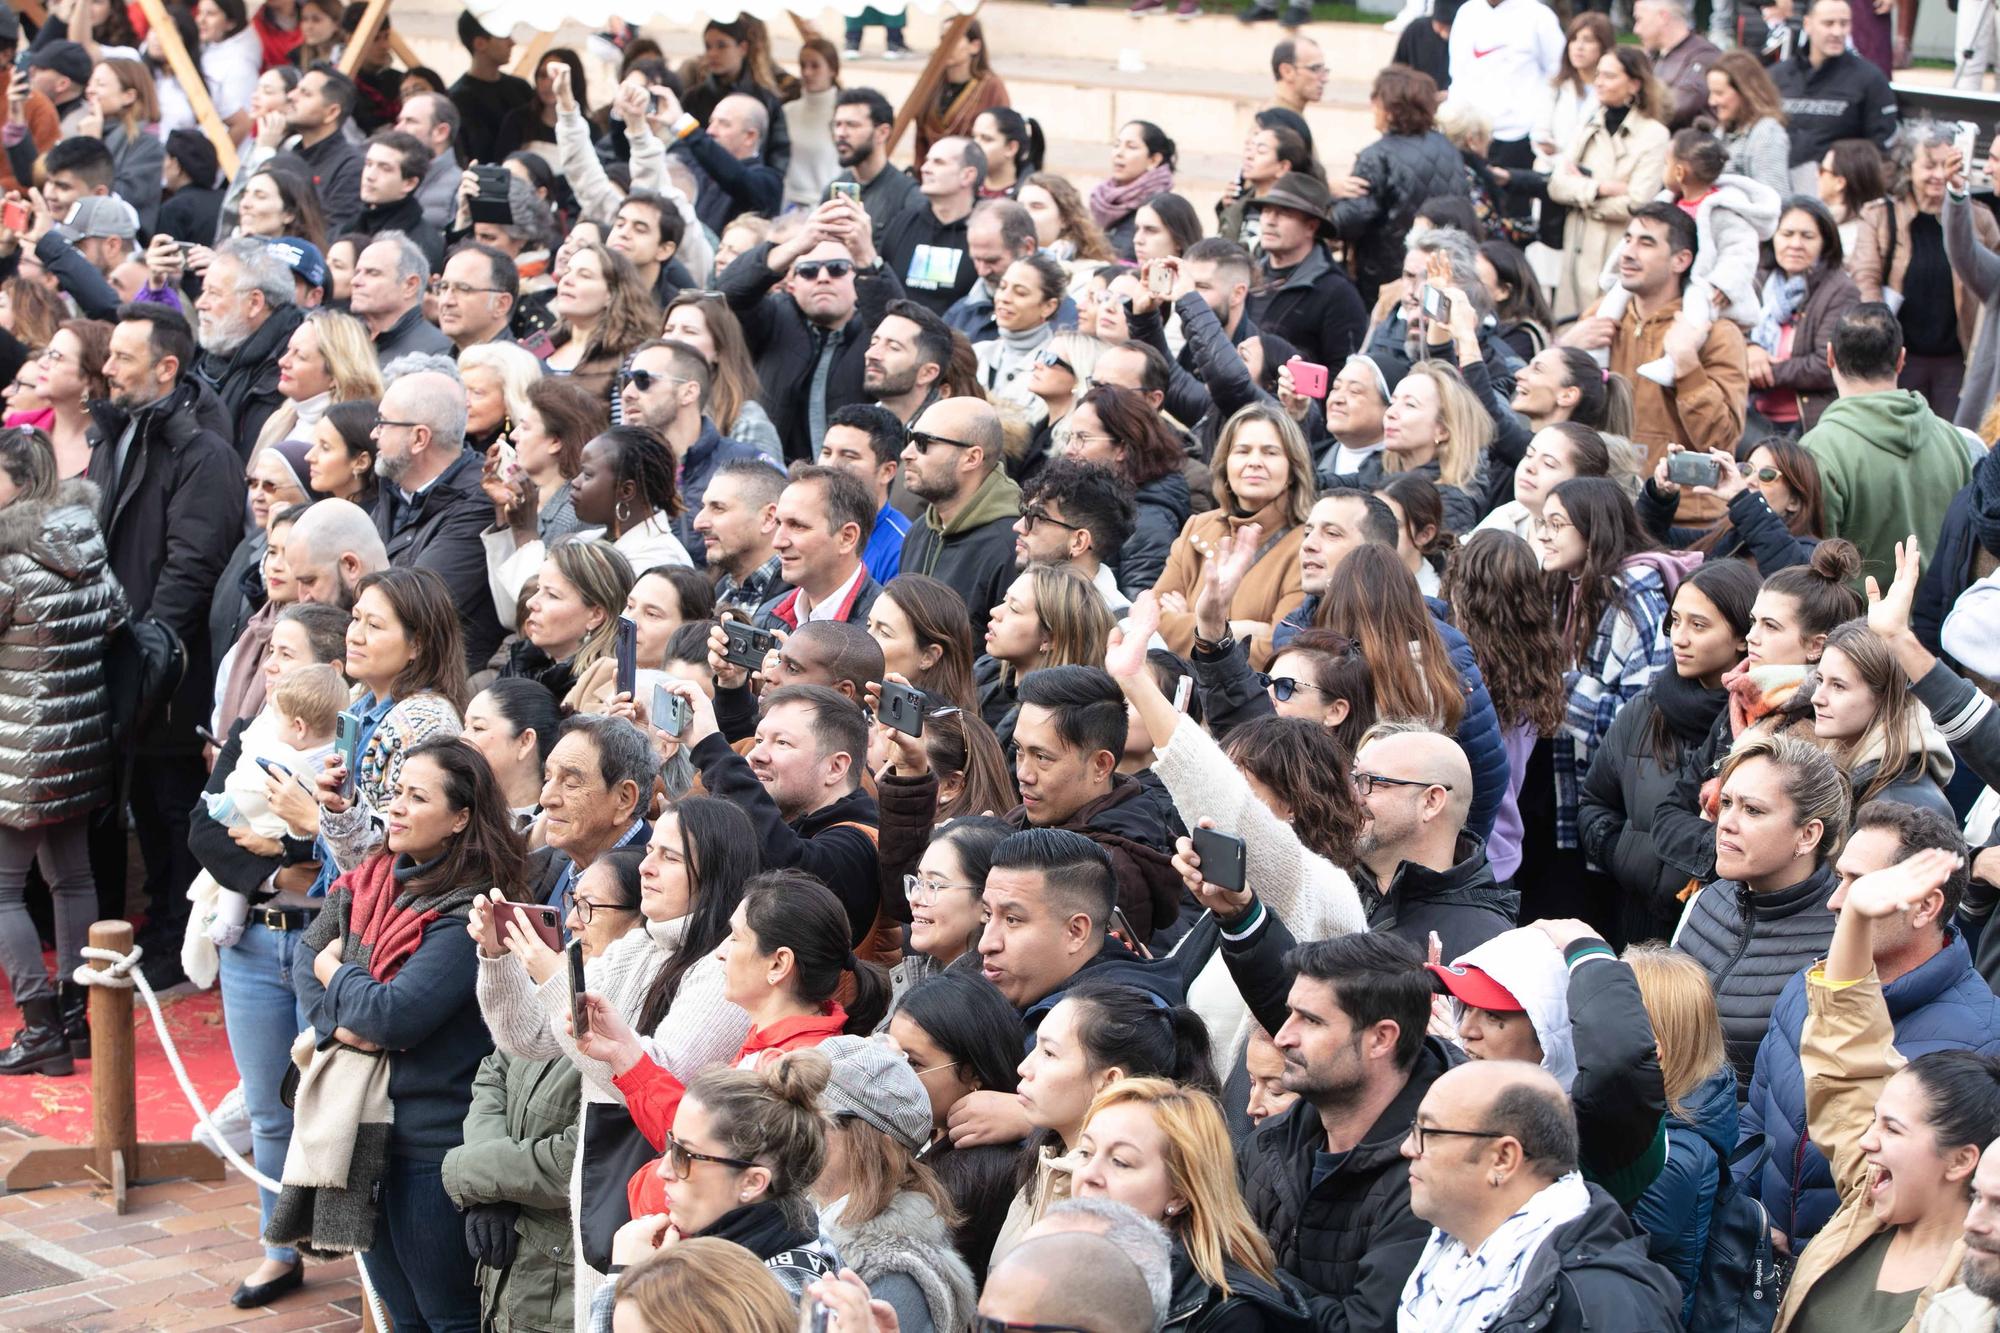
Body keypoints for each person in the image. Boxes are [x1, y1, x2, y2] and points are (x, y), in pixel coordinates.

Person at [474, 796, 755, 1322]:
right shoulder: (636, 946)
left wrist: (552, 973)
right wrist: (498, 960)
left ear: (714, 870)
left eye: (670, 858)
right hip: (607, 1175)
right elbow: (530, 1037)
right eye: (651, 850)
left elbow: (658, 1073)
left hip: (670, 1193)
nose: (647, 866)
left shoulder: (719, 968)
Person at [283, 738, 523, 1330]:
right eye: (396, 792)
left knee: (449, 1317)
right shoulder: (374, 879)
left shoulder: (470, 909)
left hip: (431, 1141)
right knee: (398, 1314)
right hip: (369, 1130)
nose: (395, 807)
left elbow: (395, 1016)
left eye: (417, 797)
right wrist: (347, 1020)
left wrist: (336, 973)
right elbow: (304, 958)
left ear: (461, 817)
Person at [1743, 800, 2000, 1260]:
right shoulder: (1809, 990)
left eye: (1860, 886)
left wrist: (1831, 1261)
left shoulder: (1985, 1043)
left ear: (1925, 906)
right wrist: (1750, 1218)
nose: (1836, 901)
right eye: (1841, 879)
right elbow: (1753, 1123)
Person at [1771, 851, 2000, 1332]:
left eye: (1891, 1128)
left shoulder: (1977, 1285)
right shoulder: (1867, 1203)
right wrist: (1856, 916)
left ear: (1961, 1161)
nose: (1867, 1141)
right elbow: (1848, 1061)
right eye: (1874, 1120)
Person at [85, 303, 241, 984]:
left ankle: (180, 936)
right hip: (121, 649)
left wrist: (151, 650)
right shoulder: (114, 432)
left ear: (165, 367)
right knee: (142, 796)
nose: (108, 367)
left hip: (168, 668)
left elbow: (192, 561)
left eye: (122, 357)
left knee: (170, 796)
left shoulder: (200, 450)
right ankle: (159, 922)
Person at [1227, 930, 1455, 1325]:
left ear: (1381, 1038)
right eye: (1290, 1013)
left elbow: (1366, 1325)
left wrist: (1249, 1284)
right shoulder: (1268, 1143)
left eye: (1311, 1021)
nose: (1283, 1037)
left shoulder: (1432, 1171)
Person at [0, 433, 122, 1077]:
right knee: (72, 878)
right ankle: (78, 1021)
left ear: (17, 480)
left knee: (2, 890)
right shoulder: (85, 541)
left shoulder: (8, 554)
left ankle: (41, 1028)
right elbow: (116, 618)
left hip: (16, 745)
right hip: (78, 739)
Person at [1398, 1061, 1685, 1330]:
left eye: (1430, 1132)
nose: (1408, 1148)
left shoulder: (1603, 1306)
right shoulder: (1444, 1261)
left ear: (1502, 1159)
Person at [1581, 558, 1760, 946]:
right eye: (1675, 621)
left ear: (1742, 637)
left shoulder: (1758, 724)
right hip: (1635, 923)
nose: (1679, 637)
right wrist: (1624, 855)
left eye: (1698, 625)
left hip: (1721, 929)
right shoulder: (1645, 709)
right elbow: (1595, 802)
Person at [589, 1049, 840, 1318]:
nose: (663, 1170)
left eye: (685, 1155)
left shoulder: (772, 1299)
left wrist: (626, 1283)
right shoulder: (767, 1238)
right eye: (670, 1145)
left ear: (752, 1182)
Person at [1536, 476, 1677, 922]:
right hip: (1568, 784)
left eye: (1557, 524)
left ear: (1593, 528)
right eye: (1542, 522)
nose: (1543, 534)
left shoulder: (1634, 594)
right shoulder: (1567, 584)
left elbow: (1641, 714)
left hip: (1614, 800)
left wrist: (1555, 688)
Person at [1673, 732, 1848, 1087]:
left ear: (1808, 835)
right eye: (1726, 803)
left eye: (1752, 810)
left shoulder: (1842, 939)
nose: (1727, 823)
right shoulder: (1709, 899)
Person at [1561, 203, 1749, 499]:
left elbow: (1721, 443)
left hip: (1684, 515)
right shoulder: (1599, 318)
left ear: (1681, 260)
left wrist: (1687, 365)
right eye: (1627, 239)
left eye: (1646, 243)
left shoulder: (1717, 334)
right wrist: (1565, 348)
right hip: (1604, 504)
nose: (1628, 253)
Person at [806, 1035, 978, 1333]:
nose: (796, 1129)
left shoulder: (897, 1273)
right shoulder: (805, 1216)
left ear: (873, 1143)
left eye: (817, 1117)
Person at [1800, 304, 1973, 585]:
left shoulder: (1818, 449)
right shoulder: (1952, 439)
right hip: (1938, 622)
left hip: (1854, 625)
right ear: (1901, 359)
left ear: (1829, 356)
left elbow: (1813, 569)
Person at [720, 197, 900, 462]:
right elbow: (728, 292)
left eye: (838, 269)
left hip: (853, 484)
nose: (823, 277)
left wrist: (866, 255)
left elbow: (905, 327)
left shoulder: (875, 329)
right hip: (775, 482)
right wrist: (797, 245)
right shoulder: (773, 317)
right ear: (791, 282)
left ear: (856, 278)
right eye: (808, 271)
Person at [1442, 530, 1571, 889]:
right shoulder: (1538, 666)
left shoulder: (1457, 674)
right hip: (1504, 854)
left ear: (1460, 590)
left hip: (1457, 852)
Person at [1846, 124, 1994, 424]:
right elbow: (1866, 278)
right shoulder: (1880, 215)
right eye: (1929, 165)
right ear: (1907, 168)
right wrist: (1880, 339)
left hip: (1957, 357)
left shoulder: (1978, 217)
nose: (1939, 175)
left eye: (1947, 164)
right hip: (1900, 356)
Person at [887, 971, 1025, 1283]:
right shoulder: (919, 1129)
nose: (891, 1073)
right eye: (890, 1053)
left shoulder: (982, 1173)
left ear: (973, 1073)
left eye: (913, 1063)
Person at [1150, 405, 1311, 669]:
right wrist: (1238, 629)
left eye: (1270, 452)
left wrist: (1191, 623)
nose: (1254, 461)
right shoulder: (1197, 527)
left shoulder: (1306, 543)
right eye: (1242, 451)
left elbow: (1279, 650)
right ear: (1226, 464)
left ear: (1293, 470)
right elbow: (1152, 623)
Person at [1344, 722, 1516, 959]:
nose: (1352, 796)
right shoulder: (1330, 887)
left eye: (1371, 781)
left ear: (1431, 802)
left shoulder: (1484, 948)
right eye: (1354, 778)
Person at [618, 341, 773, 568]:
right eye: (626, 381)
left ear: (688, 392)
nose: (627, 393)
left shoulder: (746, 465)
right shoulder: (617, 466)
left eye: (643, 380)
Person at [1547, 49, 1673, 322]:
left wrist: (1579, 193)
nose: (1599, 82)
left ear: (1634, 83)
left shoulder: (1654, 135)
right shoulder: (1589, 124)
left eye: (1609, 76)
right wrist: (1600, 189)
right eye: (1598, 75)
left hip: (1615, 252)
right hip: (1575, 249)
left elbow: (1638, 202)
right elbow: (1556, 186)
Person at [1331, 68, 1465, 309]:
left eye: (1377, 99)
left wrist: (1327, 200)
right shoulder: (1447, 148)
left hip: (1387, 276)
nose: (1373, 106)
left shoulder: (1377, 156)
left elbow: (1349, 221)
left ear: (1391, 108)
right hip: (1441, 270)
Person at [898, 396, 1020, 642]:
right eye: (909, 438)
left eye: (923, 442)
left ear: (972, 458)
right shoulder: (921, 529)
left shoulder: (1013, 544)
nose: (906, 454)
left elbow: (1005, 661)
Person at [191, 237, 306, 458]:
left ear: (254, 303)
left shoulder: (286, 368)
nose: (201, 303)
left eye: (213, 293)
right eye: (203, 291)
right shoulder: (203, 355)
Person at [1242, 175, 1369, 370]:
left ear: (1311, 226)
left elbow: (1343, 374)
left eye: (1283, 213)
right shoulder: (1247, 278)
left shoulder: (1337, 294)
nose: (1270, 221)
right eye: (1266, 211)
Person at [977, 565, 1114, 744]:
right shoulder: (985, 673)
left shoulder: (1056, 724)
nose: (995, 612)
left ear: (1050, 638)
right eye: (1005, 600)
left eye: (1015, 608)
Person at [1773, 0, 1898, 194]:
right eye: (1828, 23)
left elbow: (1882, 149)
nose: (1838, 32)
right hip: (1779, 190)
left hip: (1842, 196)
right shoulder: (1777, 77)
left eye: (1844, 23)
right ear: (1808, 24)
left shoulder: (1870, 79)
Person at [752, 465, 881, 631]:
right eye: (778, 523)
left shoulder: (883, 631)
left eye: (797, 526)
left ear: (847, 537)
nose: (777, 542)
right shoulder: (768, 616)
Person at [1016, 456, 1138, 616]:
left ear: (1079, 542)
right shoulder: (1026, 598)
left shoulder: (1120, 632)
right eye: (1024, 512)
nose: (1018, 526)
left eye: (1037, 517)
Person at [544, 242, 654, 412]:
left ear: (611, 294)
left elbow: (622, 434)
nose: (567, 281)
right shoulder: (542, 342)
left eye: (584, 275)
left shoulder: (628, 356)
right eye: (567, 272)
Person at [880, 136, 983, 317]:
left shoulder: (987, 229)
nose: (925, 169)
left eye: (938, 162)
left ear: (968, 175)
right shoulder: (904, 221)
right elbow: (881, 283)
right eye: (927, 161)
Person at [819, 404, 908, 584]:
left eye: (849, 456)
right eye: (826, 452)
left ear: (887, 471)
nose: (830, 465)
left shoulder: (903, 548)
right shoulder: (804, 527)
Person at [866, 574, 977, 713]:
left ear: (928, 656)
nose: (866, 638)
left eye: (884, 633)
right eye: (868, 624)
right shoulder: (862, 701)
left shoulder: (941, 732)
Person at [279, 63, 363, 236]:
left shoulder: (350, 167)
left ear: (332, 112)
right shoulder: (286, 155)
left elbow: (331, 233)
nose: (291, 96)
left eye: (306, 93)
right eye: (296, 89)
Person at [696, 457, 787, 611]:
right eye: (703, 507)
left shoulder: (801, 599)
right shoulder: (717, 594)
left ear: (768, 518)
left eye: (718, 508)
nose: (698, 523)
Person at [828, 87, 919, 239]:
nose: (841, 133)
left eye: (852, 125)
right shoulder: (834, 190)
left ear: (882, 133)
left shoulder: (907, 197)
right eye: (837, 125)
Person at [1706, 50, 1792, 198]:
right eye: (1711, 92)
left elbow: (1775, 198)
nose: (1711, 101)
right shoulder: (1722, 131)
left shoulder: (1767, 133)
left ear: (1746, 93)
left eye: (1719, 93)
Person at [1635, 0, 1722, 129]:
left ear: (1663, 17)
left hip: (1690, 144)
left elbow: (1678, 108)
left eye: (1639, 19)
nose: (1636, 29)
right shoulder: (1653, 57)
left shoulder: (1704, 56)